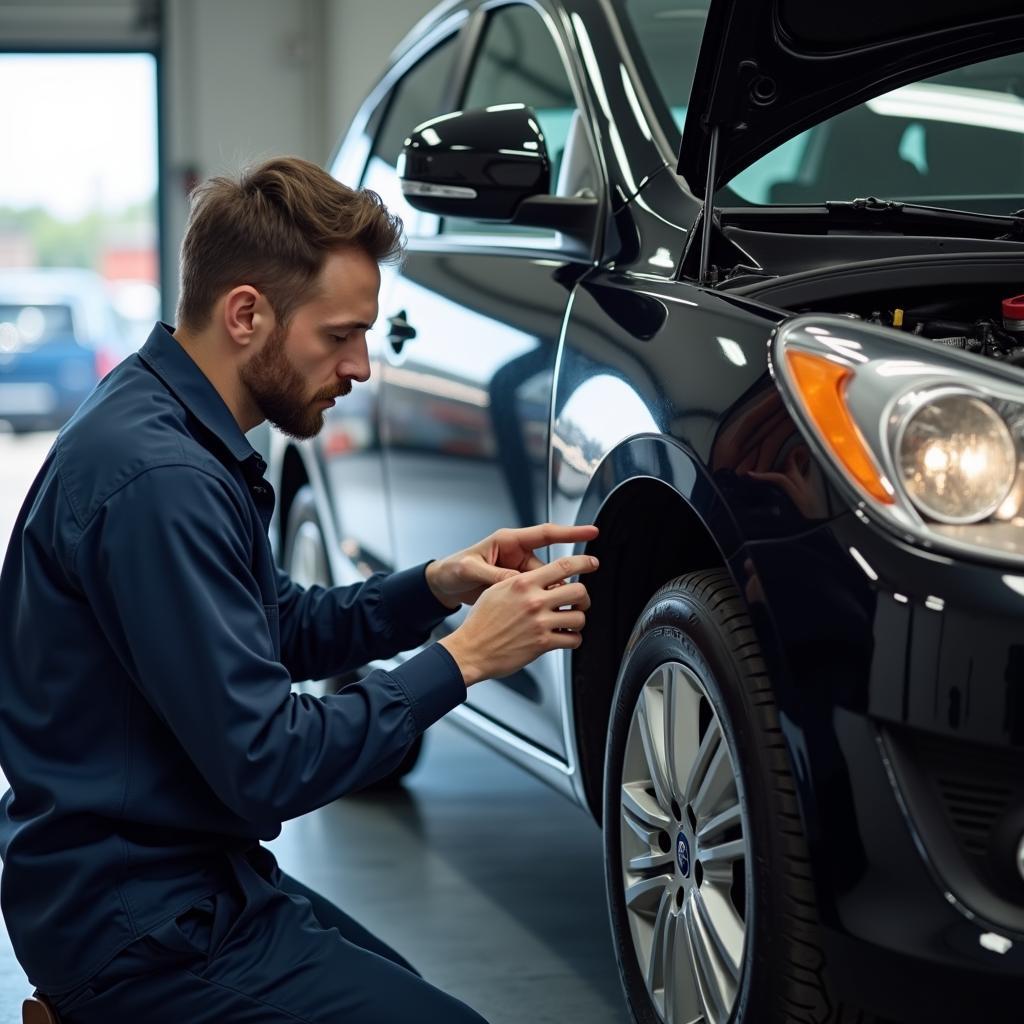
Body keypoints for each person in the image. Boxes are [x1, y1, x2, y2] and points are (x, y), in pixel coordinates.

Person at [0, 156, 599, 1022]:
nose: (360, 365)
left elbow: (275, 625)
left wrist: (435, 587)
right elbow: (268, 765)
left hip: (185, 883)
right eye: (339, 334)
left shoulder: (167, 426)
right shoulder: (160, 479)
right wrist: (462, 663)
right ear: (246, 313)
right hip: (142, 927)